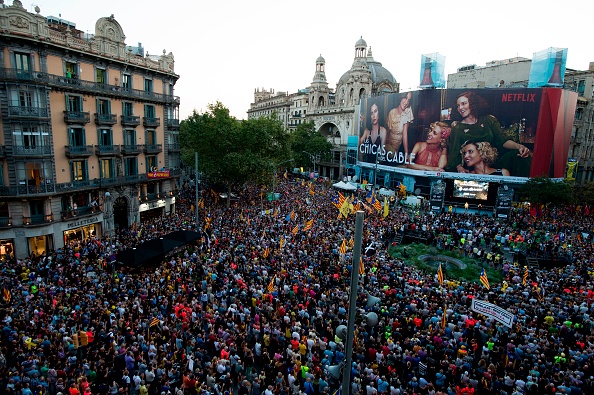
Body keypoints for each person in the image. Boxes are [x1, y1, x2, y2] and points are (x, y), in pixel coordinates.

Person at [445, 91, 531, 175]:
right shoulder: (458, 128)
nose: (460, 108)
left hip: (494, 162)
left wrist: (520, 147)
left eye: (464, 104)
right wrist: (460, 168)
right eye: (458, 106)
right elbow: (454, 154)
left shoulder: (489, 120)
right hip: (472, 167)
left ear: (473, 103)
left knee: (518, 155)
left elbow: (503, 141)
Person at [386, 92, 414, 161]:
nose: (406, 102)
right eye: (405, 98)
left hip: (397, 150)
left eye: (409, 100)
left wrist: (406, 154)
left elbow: (405, 134)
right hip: (387, 146)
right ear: (401, 98)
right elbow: (387, 132)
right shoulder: (391, 113)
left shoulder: (407, 112)